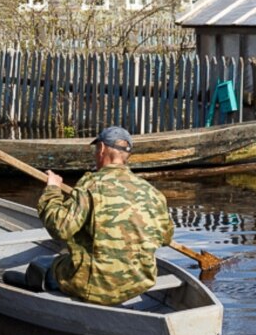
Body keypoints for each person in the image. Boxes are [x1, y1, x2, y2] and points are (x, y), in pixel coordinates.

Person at [11, 126, 174, 306]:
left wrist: (52, 190)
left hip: (94, 286)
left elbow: (59, 228)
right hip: (139, 283)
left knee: (39, 264)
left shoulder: (91, 185)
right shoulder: (153, 193)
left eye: (96, 150)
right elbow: (166, 238)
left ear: (102, 148)